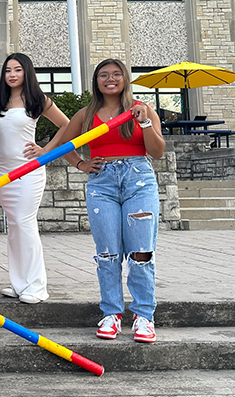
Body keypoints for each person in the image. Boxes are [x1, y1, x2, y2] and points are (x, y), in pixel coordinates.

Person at [61, 58, 165, 343]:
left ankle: (144, 316)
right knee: (107, 253)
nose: (110, 79)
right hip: (102, 184)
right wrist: (81, 165)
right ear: (96, 81)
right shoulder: (87, 112)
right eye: (103, 75)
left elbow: (157, 151)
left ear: (125, 78)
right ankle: (112, 314)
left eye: (116, 74)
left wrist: (144, 121)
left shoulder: (141, 109)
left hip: (138, 181)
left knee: (141, 252)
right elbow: (63, 145)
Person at [0, 53, 76, 304]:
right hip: (4, 172)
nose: (12, 74)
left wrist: (45, 150)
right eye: (8, 70)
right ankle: (18, 282)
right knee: (13, 226)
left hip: (29, 170)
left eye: (17, 70)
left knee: (25, 223)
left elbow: (66, 125)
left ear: (27, 73)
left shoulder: (38, 100)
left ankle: (36, 286)